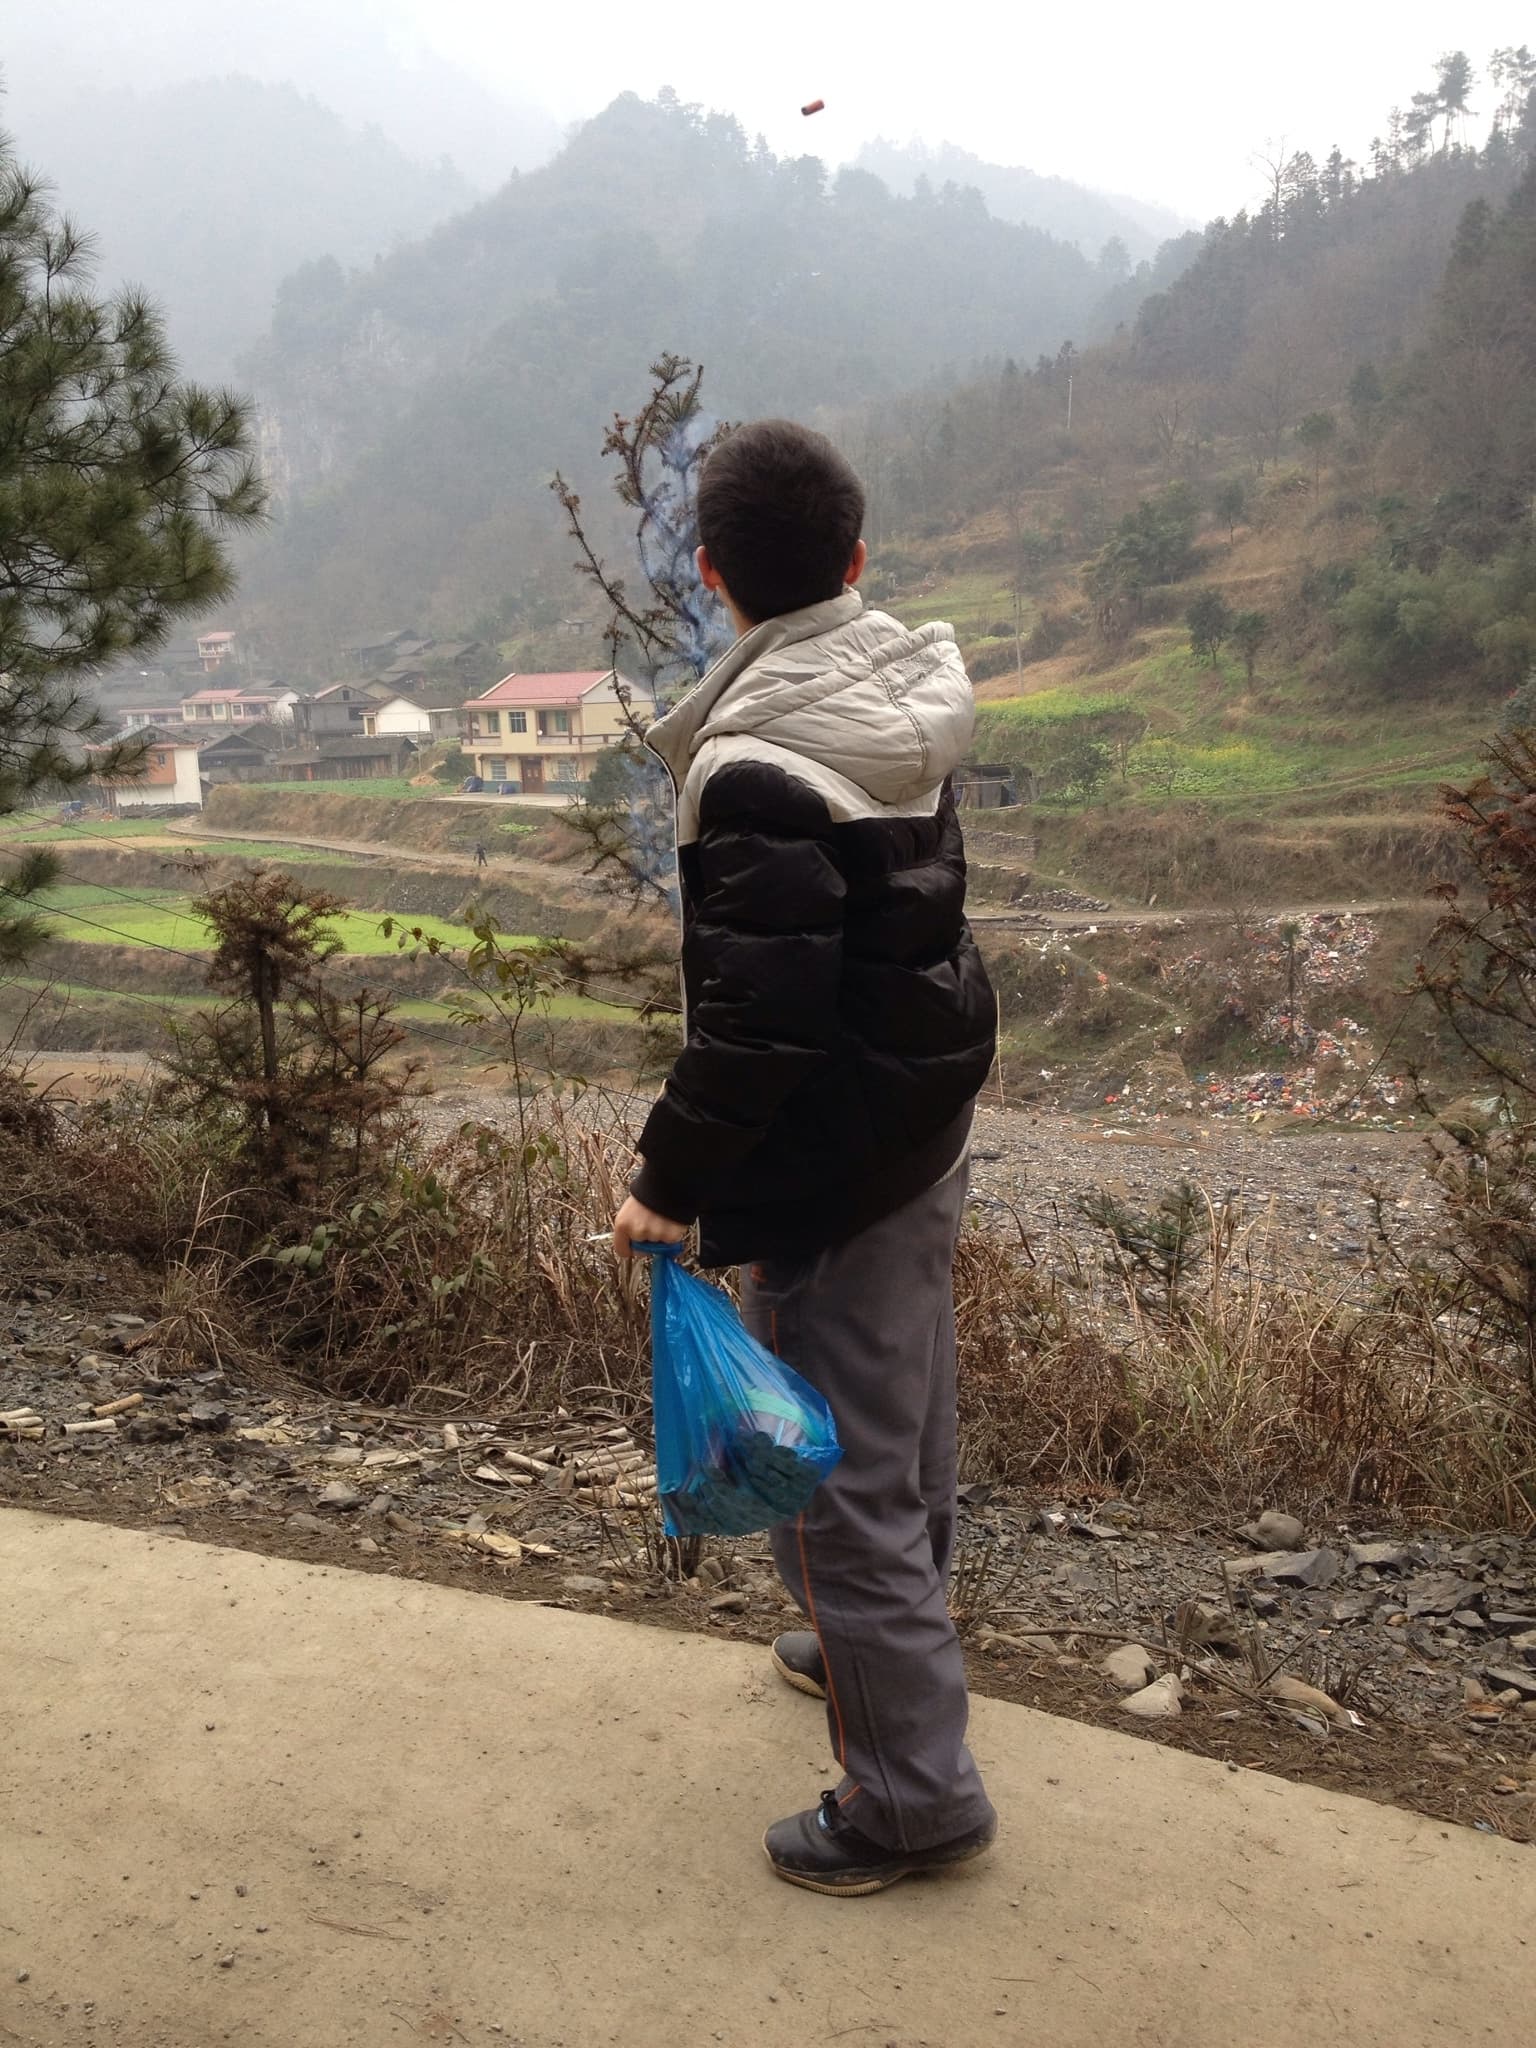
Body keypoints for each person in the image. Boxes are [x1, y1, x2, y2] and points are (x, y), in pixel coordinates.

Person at [612, 420, 998, 1897]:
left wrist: (664, 1182)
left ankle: (908, 1797)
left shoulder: (761, 760)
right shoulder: (895, 680)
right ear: (856, 558)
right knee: (901, 1420)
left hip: (839, 1148)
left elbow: (759, 1028)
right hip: (921, 1113)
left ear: (711, 576)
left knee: (835, 1482)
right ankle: (873, 1635)